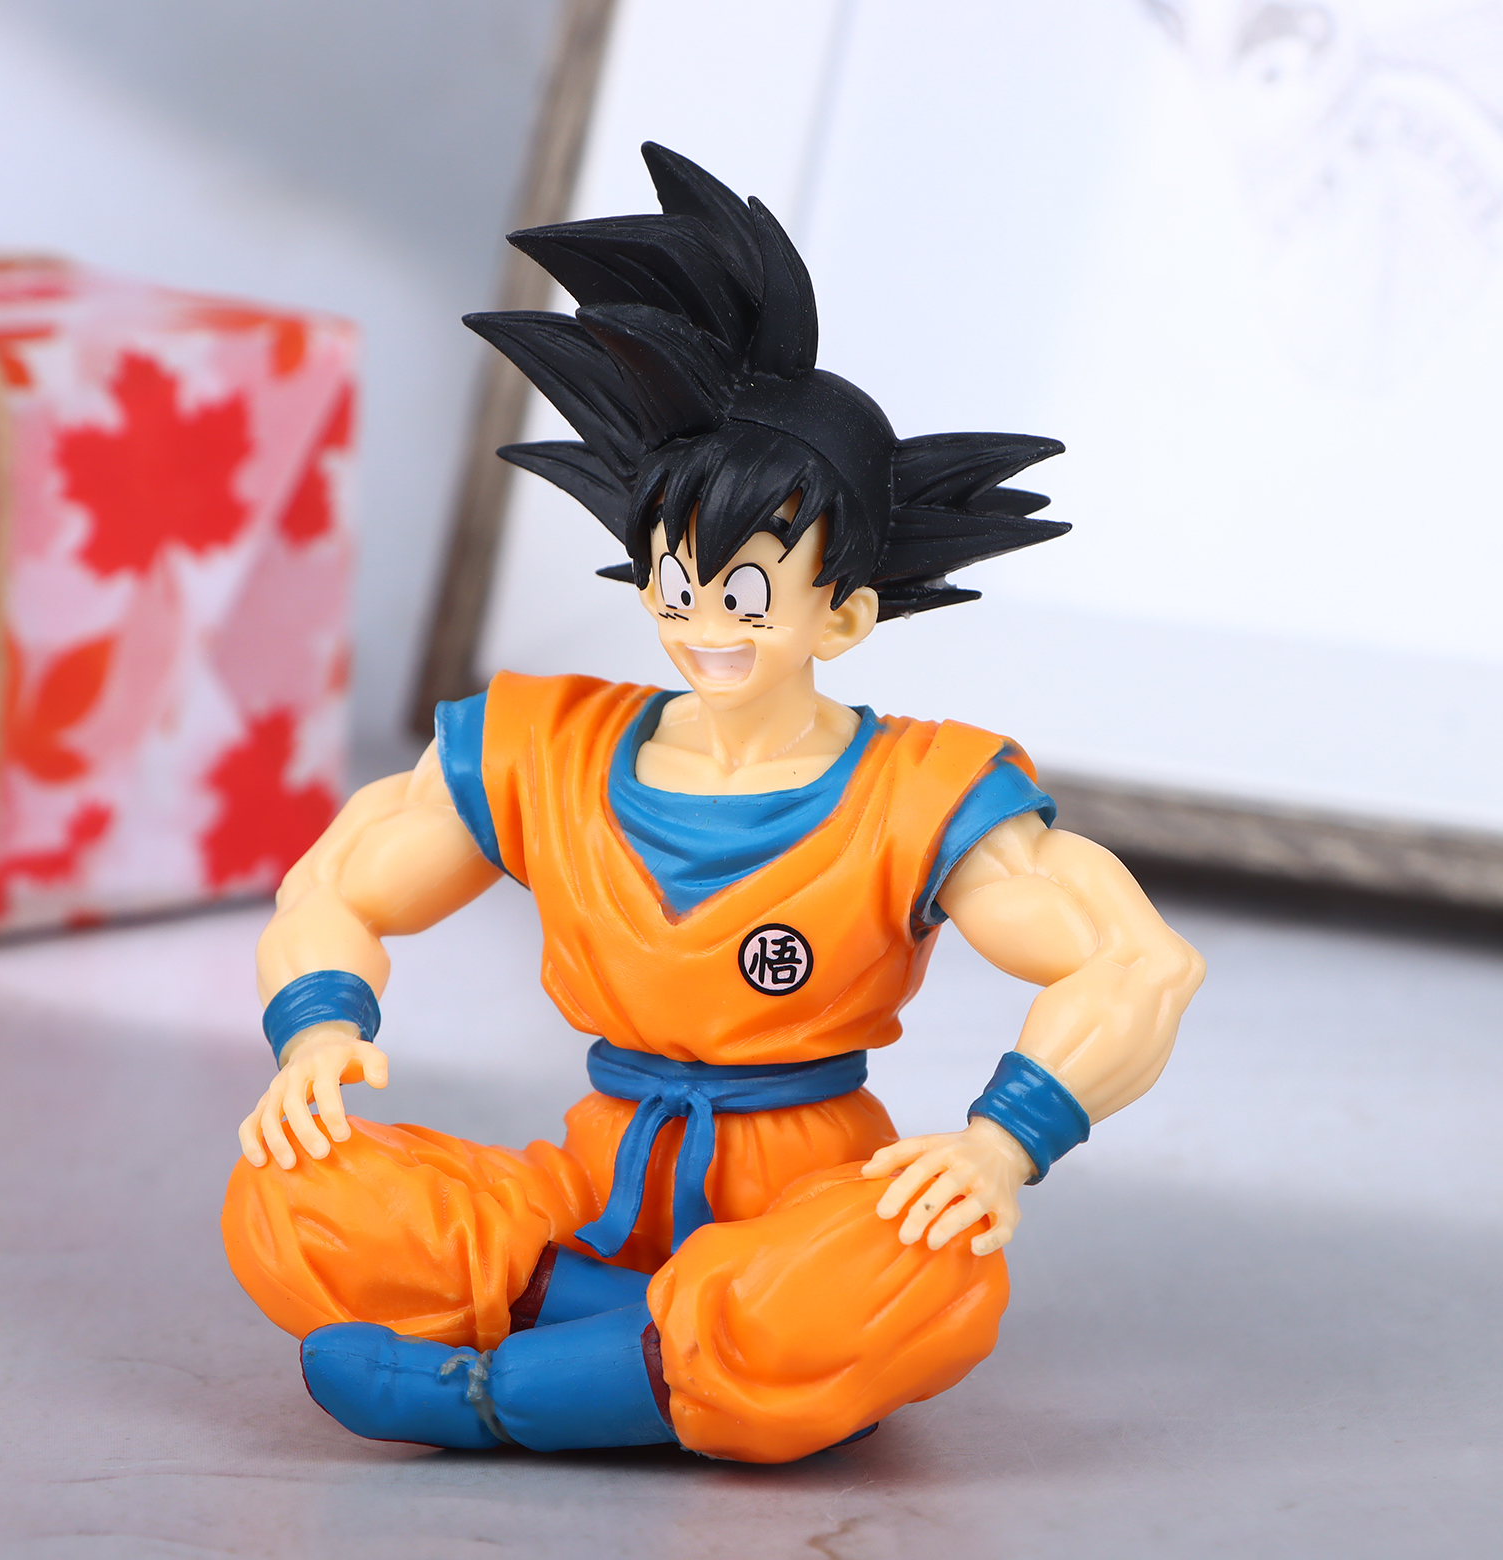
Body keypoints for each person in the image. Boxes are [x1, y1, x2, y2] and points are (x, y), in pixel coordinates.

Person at [221, 144, 1205, 1464]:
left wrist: (996, 1148)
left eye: (746, 593)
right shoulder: (546, 745)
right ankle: (660, 1349)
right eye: (676, 583)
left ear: (842, 616)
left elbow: (1137, 962)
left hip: (805, 1198)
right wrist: (316, 1038)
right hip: (586, 1189)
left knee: (930, 1265)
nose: (703, 626)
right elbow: (341, 883)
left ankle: (506, 1392)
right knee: (295, 1188)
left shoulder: (921, 790)